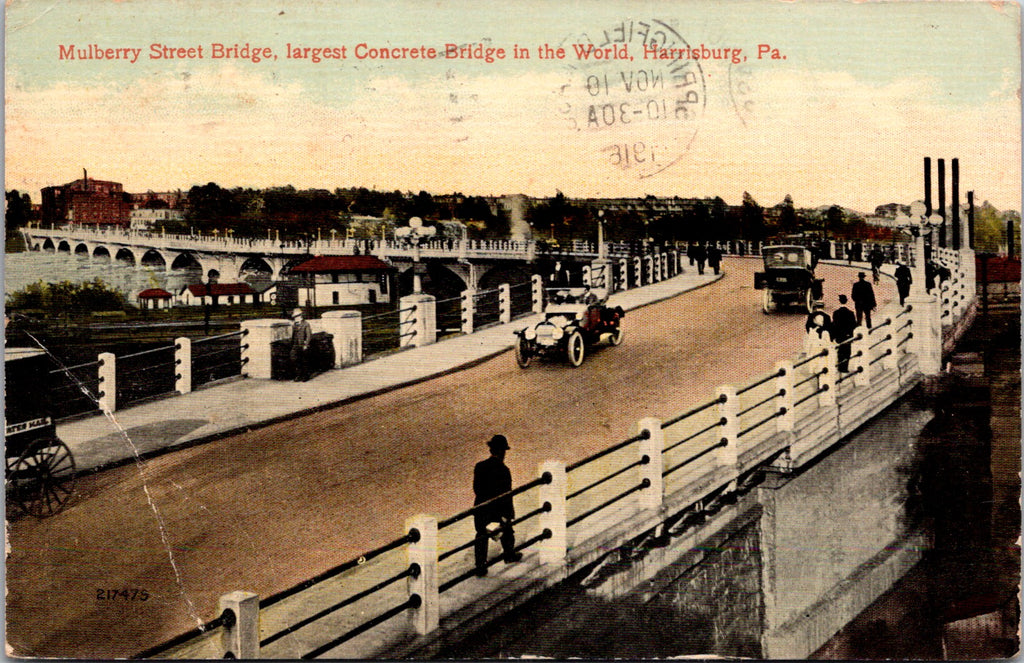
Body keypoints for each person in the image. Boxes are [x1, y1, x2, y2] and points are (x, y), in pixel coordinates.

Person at [473, 435, 522, 576]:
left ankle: (480, 566)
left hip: (481, 510)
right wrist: (509, 515)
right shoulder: (504, 470)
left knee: (481, 536)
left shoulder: (480, 466)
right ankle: (509, 554)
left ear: (490, 450)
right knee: (507, 529)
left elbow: (477, 489)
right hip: (496, 511)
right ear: (502, 452)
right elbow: (507, 496)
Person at [831, 294, 858, 372]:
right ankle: (845, 368)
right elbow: (854, 325)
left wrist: (833, 336)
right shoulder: (851, 313)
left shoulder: (836, 313)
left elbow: (834, 325)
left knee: (840, 351)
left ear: (839, 301)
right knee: (847, 352)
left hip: (839, 336)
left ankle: (840, 367)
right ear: (846, 301)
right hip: (848, 336)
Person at [290, 307, 312, 382]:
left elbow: (309, 335)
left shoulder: (306, 324)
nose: (295, 318)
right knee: (294, 359)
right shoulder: (294, 325)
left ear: (300, 316)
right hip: (295, 345)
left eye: (297, 316)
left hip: (303, 345)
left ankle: (305, 376)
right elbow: (293, 336)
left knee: (304, 360)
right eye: (295, 317)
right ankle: (298, 375)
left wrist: (306, 344)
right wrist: (292, 344)